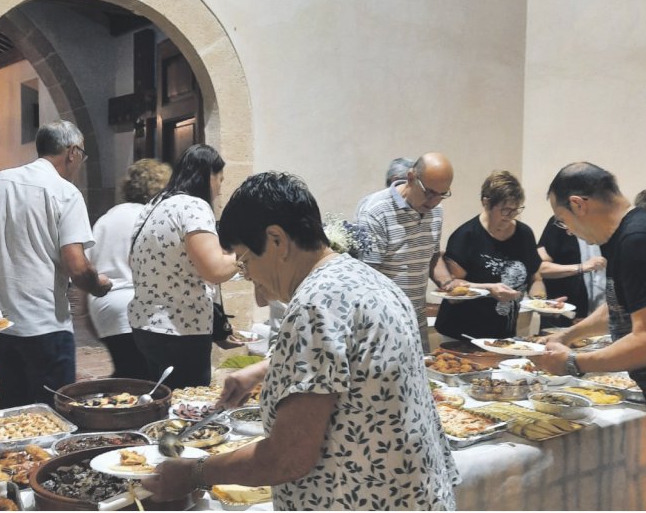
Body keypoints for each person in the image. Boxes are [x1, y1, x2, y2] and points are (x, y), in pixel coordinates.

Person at [143, 172, 459, 510]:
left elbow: (289, 456)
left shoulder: (314, 304)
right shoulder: (369, 279)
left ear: (276, 240)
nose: (254, 285)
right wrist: (265, 369)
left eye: (246, 262)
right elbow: (353, 362)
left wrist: (194, 473)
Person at [532, 162, 646, 510]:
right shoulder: (625, 238)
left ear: (578, 204)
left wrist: (574, 363)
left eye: (562, 220)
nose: (568, 231)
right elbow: (618, 305)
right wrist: (568, 335)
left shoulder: (641, 241)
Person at [0, 120, 112, 410]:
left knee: (14, 404)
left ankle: (12, 454)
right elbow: (77, 267)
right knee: (55, 410)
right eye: (82, 155)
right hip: (43, 323)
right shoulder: (65, 192)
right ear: (71, 152)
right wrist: (100, 285)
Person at [128, 144, 237, 388]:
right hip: (180, 330)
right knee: (189, 411)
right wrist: (244, 255)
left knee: (162, 404)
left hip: (146, 325)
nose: (219, 190)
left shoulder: (153, 205)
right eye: (220, 179)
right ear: (209, 175)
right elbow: (215, 270)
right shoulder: (193, 206)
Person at [355, 152, 455, 349]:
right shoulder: (376, 211)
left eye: (442, 194)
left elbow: (432, 256)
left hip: (416, 320)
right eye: (429, 192)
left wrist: (447, 283)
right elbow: (368, 278)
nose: (434, 201)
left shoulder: (436, 212)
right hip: (382, 324)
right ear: (411, 178)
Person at [86, 159, 170, 380]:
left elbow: (89, 265)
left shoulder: (108, 217)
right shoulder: (151, 216)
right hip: (137, 307)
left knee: (127, 371)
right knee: (147, 379)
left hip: (104, 307)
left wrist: (86, 313)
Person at [435, 170, 544, 340]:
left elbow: (535, 278)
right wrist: (489, 289)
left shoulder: (524, 234)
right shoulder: (466, 236)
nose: (511, 216)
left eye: (516, 210)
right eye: (505, 210)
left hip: (503, 333)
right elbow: (453, 288)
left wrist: (541, 301)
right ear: (486, 203)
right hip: (462, 333)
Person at [536, 216, 607, 329]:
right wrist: (581, 267)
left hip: (602, 314)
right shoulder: (559, 222)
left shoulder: (609, 226)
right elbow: (540, 268)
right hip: (564, 313)